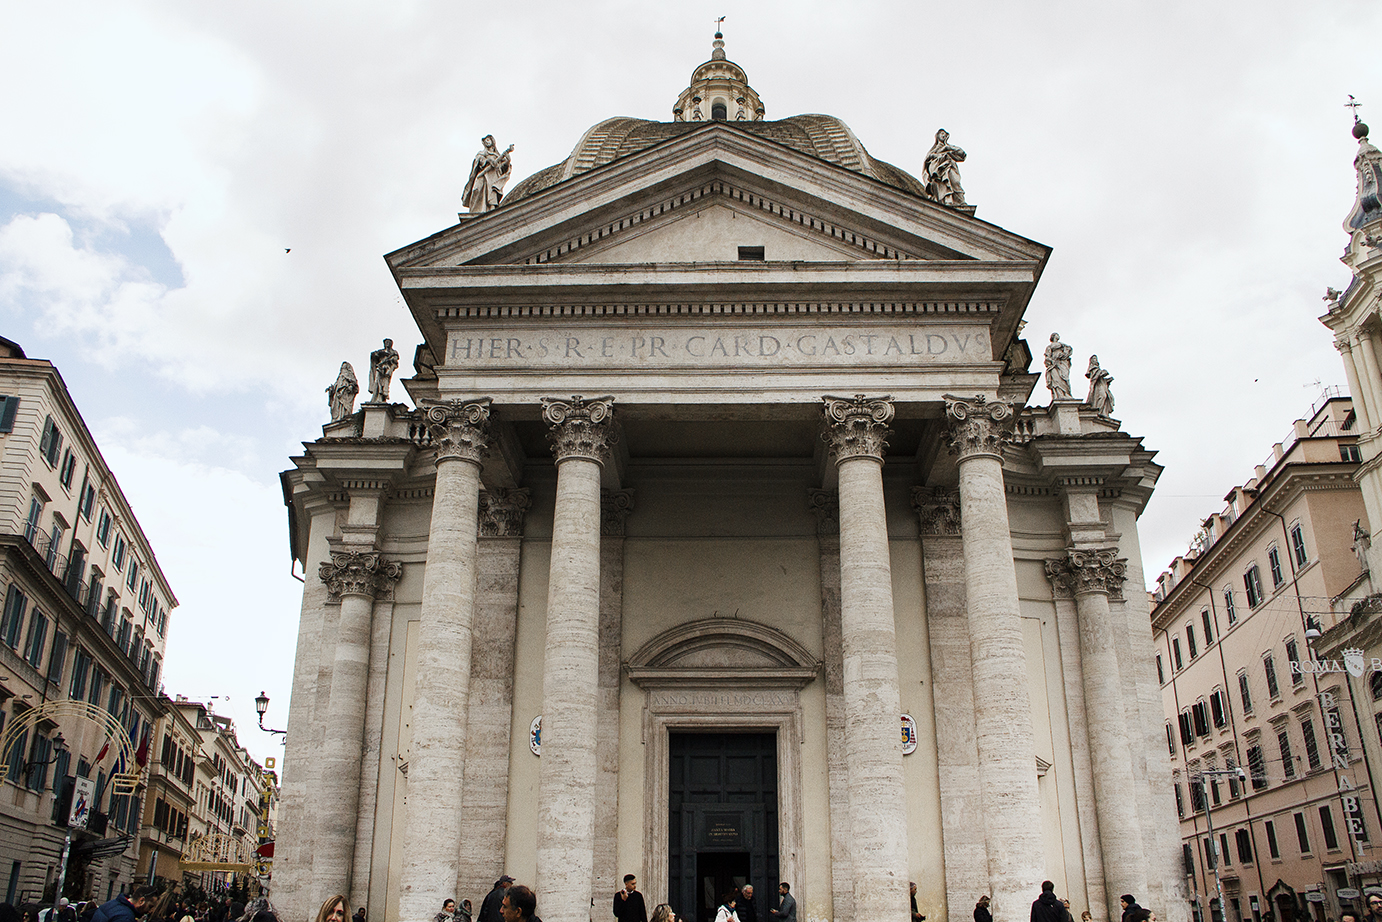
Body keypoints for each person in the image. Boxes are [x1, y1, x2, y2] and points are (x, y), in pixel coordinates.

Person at [464, 135, 515, 214]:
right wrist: (487, 160)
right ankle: (477, 210)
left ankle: (491, 209)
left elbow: (503, 168)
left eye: (488, 140)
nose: (486, 142)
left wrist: (507, 161)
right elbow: (479, 162)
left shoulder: (497, 155)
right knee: (477, 190)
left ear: (492, 141)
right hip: (483, 175)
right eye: (485, 141)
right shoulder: (481, 153)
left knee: (492, 191)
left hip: (493, 176)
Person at [923, 129, 967, 207]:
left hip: (950, 166)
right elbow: (928, 158)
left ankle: (958, 200)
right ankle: (947, 200)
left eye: (945, 134)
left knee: (955, 182)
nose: (943, 135)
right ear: (937, 136)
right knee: (942, 185)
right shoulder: (934, 149)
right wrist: (938, 154)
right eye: (942, 133)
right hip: (938, 170)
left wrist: (947, 147)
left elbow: (962, 153)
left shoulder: (949, 148)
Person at [92, 887, 157, 922]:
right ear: (141, 901)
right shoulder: (126, 917)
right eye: (150, 906)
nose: (150, 911)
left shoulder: (111, 903)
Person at [368, 339, 399, 404]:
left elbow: (395, 362)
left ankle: (381, 397)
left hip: (387, 370)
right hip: (379, 368)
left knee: (384, 383)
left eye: (389, 342)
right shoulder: (381, 351)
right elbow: (374, 356)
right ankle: (375, 398)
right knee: (377, 382)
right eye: (386, 342)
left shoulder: (394, 352)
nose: (387, 344)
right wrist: (375, 356)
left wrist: (390, 362)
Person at [1044, 333, 1073, 400]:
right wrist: (1051, 361)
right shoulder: (1049, 347)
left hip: (1062, 363)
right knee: (1056, 380)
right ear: (1053, 336)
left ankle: (1066, 394)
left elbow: (1069, 349)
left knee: (1065, 378)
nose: (1058, 336)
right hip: (1054, 365)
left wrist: (1063, 354)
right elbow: (1047, 357)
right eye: (1056, 335)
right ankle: (1059, 395)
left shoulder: (1062, 344)